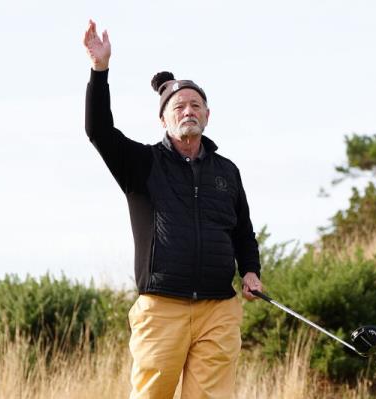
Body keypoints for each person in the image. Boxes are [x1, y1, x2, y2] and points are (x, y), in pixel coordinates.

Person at [82, 19, 263, 399]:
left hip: (219, 309)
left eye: (196, 105)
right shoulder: (141, 164)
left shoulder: (227, 172)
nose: (188, 111)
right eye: (178, 106)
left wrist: (250, 271)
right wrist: (100, 70)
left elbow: (243, 232)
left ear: (208, 116)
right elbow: (99, 130)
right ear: (163, 119)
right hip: (161, 306)